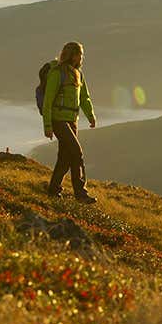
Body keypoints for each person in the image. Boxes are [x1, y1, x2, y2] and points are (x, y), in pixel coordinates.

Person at [42, 41, 97, 203]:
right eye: (79, 54)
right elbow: (48, 101)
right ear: (72, 55)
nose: (81, 57)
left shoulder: (78, 74)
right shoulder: (57, 73)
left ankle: (53, 190)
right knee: (77, 152)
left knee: (65, 157)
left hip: (73, 121)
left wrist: (91, 115)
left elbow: (84, 97)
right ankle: (81, 193)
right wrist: (47, 125)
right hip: (58, 120)